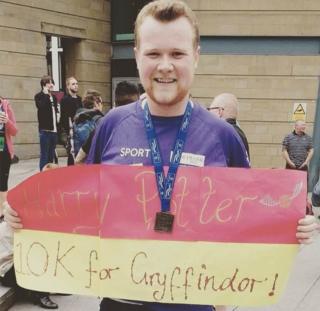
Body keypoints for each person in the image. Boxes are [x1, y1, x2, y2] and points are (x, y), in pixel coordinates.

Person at [3, 1, 317, 310]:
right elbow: (86, 202)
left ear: (195, 56)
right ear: (138, 56)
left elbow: (249, 214)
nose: (165, 65)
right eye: (154, 53)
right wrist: (31, 215)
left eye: (177, 53)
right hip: (119, 300)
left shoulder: (223, 136)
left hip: (194, 301)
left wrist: (294, 223)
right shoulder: (112, 124)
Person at [208, 93, 250, 160]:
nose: (209, 113)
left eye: (210, 109)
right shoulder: (239, 134)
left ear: (220, 111)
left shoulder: (221, 134)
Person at [34, 75, 59, 171]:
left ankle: (50, 176)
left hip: (54, 131)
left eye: (52, 82)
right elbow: (41, 107)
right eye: (48, 83)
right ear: (43, 84)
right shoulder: (39, 96)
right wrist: (45, 95)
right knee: (44, 155)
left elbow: (55, 114)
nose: (51, 85)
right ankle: (42, 176)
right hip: (45, 131)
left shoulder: (55, 97)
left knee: (51, 156)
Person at [72, 90, 104, 162]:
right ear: (96, 104)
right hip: (93, 165)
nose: (102, 106)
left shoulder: (77, 120)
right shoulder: (98, 121)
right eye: (101, 103)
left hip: (79, 163)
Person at [59, 77, 82, 165]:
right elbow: (63, 118)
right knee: (71, 155)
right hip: (70, 131)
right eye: (73, 84)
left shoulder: (79, 99)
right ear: (68, 87)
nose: (76, 86)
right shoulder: (65, 100)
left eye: (76, 84)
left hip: (80, 130)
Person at [0, 97, 18, 213]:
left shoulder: (6, 106)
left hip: (3, 148)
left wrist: (7, 121)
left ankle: (3, 212)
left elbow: (15, 131)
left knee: (2, 181)